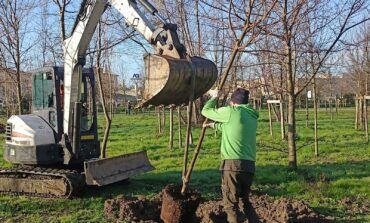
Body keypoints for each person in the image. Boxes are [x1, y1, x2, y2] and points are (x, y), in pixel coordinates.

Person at [201, 88, 259, 223]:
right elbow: (232, 127)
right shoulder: (251, 115)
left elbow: (205, 111)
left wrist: (214, 97)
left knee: (230, 205)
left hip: (232, 165)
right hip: (249, 165)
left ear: (232, 102)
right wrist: (214, 125)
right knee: (245, 202)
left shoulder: (231, 111)